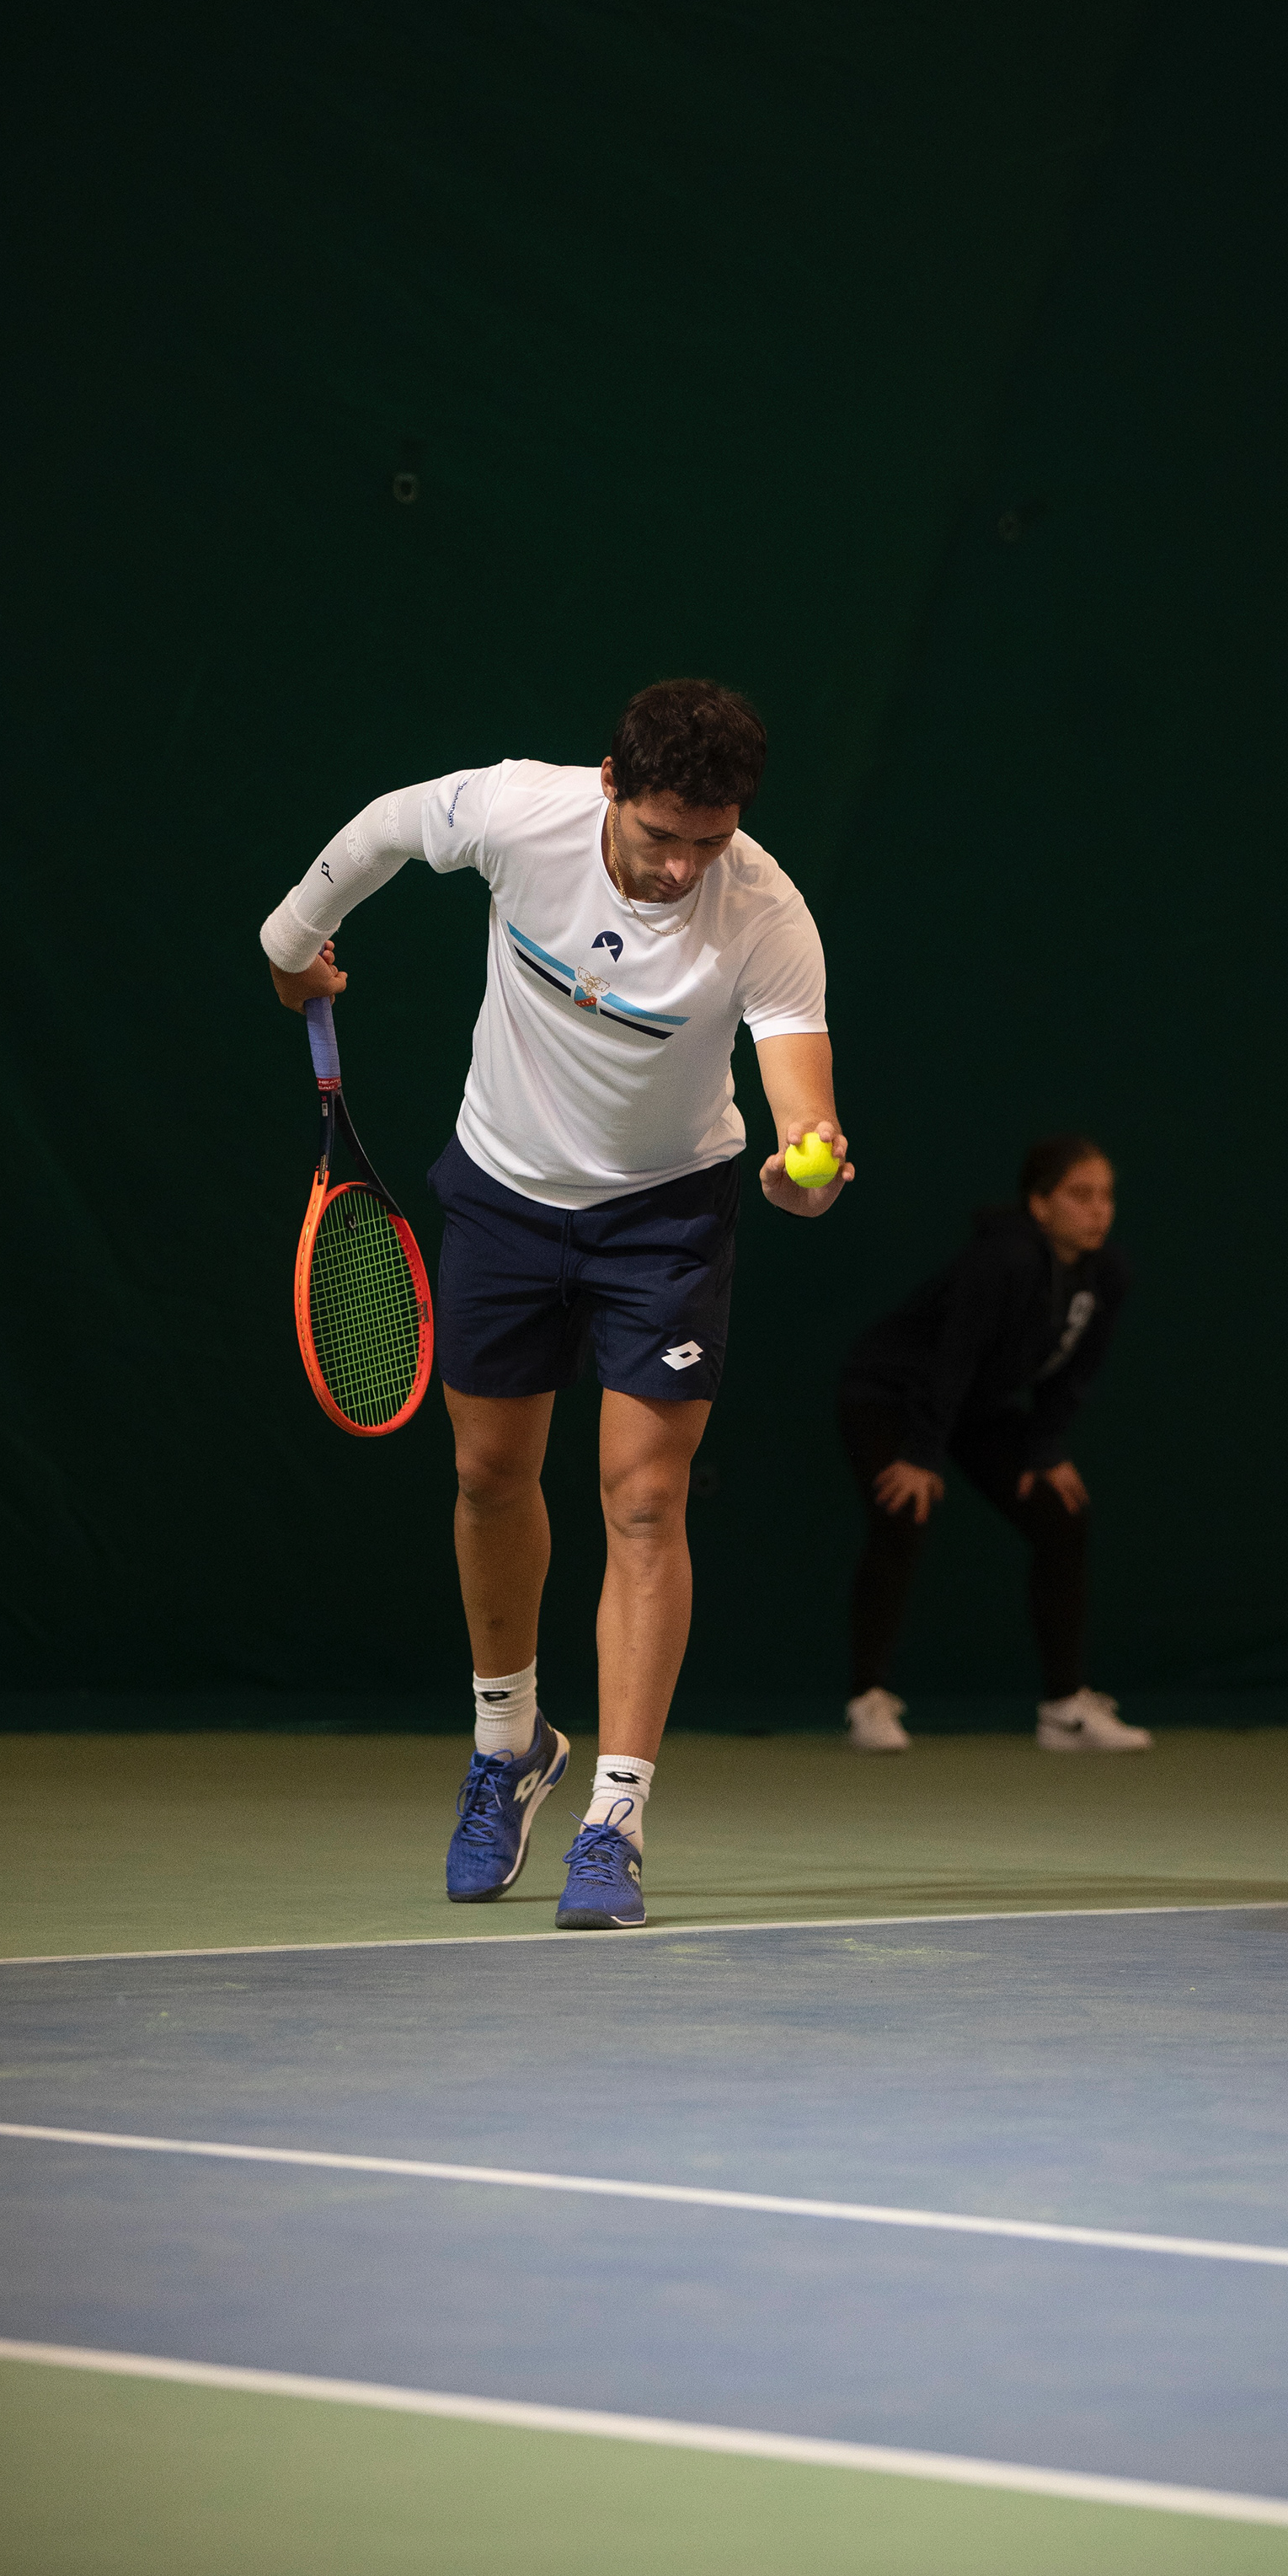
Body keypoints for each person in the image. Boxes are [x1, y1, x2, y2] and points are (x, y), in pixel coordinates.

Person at [260, 681, 850, 1927]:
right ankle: (510, 1745)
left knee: (643, 1496)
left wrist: (807, 1171)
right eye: (662, 835)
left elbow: (803, 1103)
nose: (682, 866)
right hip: (504, 1192)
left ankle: (615, 1817)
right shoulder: (519, 811)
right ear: (611, 785)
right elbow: (385, 827)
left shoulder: (767, 911)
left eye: (711, 840)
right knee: (488, 1474)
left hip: (667, 1215)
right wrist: (291, 941)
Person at [836, 1134, 1149, 1754]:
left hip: (973, 1407)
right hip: (889, 1393)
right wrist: (921, 1454)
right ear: (1040, 1205)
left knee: (1062, 1517)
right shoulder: (1002, 1261)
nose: (1098, 1210)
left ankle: (1064, 1710)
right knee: (903, 1511)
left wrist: (1045, 1448)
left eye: (1106, 1196)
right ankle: (867, 1702)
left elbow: (1073, 1373)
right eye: (1080, 1195)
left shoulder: (1107, 1273)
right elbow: (952, 1359)